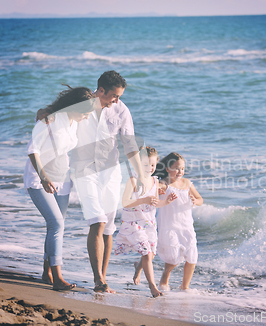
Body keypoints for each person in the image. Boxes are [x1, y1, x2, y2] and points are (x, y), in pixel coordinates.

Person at [69, 71, 146, 293]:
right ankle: (98, 280)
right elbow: (59, 118)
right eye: (114, 95)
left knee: (109, 228)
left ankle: (102, 278)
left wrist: (140, 174)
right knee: (98, 221)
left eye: (119, 96)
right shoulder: (82, 104)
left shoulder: (121, 110)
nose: (117, 100)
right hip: (84, 170)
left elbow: (130, 144)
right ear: (100, 90)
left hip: (110, 172)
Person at [24, 86, 96, 291]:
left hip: (62, 179)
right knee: (56, 224)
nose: (87, 116)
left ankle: (46, 273)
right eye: (85, 112)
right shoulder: (50, 120)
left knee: (55, 226)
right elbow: (33, 151)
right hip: (40, 179)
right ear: (74, 106)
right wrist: (44, 178)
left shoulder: (74, 122)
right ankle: (58, 278)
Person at [114, 146, 176, 297]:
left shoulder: (155, 181)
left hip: (149, 223)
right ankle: (153, 287)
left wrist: (166, 202)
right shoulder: (133, 180)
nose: (150, 168)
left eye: (153, 165)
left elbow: (155, 203)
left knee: (151, 254)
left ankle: (138, 267)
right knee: (147, 254)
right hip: (133, 223)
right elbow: (125, 202)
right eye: (145, 165)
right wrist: (143, 199)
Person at [154, 152, 204, 291]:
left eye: (182, 168)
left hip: (186, 226)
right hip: (170, 226)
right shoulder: (164, 184)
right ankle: (164, 279)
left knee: (192, 257)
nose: (180, 171)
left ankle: (185, 286)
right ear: (167, 169)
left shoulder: (187, 183)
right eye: (176, 168)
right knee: (173, 258)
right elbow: (153, 193)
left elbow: (200, 199)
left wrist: (195, 200)